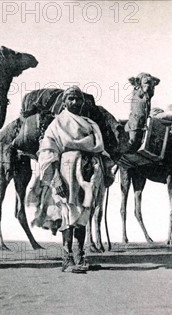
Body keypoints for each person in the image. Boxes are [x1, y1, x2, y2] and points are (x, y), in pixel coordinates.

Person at [31, 86, 109, 273]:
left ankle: (80, 256)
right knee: (67, 212)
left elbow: (100, 149)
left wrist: (105, 171)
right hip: (66, 173)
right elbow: (48, 152)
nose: (75, 102)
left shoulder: (90, 124)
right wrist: (56, 178)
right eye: (71, 99)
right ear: (64, 102)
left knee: (83, 214)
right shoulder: (57, 124)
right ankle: (67, 258)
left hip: (89, 173)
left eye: (78, 99)